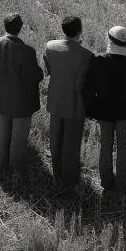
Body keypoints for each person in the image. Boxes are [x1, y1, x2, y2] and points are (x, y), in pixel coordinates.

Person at [83, 26, 126, 191]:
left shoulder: (99, 60)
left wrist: (88, 109)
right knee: (123, 147)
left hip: (104, 106)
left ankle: (106, 183)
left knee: (105, 144)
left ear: (109, 40)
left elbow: (90, 86)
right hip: (125, 108)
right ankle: (122, 185)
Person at [0, 13, 43, 169]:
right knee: (18, 136)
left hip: (0, 96)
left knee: (2, 134)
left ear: (4, 25)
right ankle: (14, 170)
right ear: (21, 28)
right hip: (21, 101)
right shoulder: (27, 51)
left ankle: (0, 164)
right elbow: (33, 77)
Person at [44, 15, 93, 187]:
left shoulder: (50, 46)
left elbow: (48, 70)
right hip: (75, 104)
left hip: (55, 100)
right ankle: (70, 181)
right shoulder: (86, 55)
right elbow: (81, 85)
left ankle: (56, 175)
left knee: (55, 141)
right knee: (71, 144)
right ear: (80, 31)